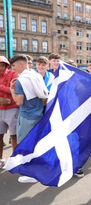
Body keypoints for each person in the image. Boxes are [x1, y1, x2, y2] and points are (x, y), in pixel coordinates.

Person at [9, 54, 48, 183]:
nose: (13, 69)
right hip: (38, 115)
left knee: (26, 144)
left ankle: (31, 174)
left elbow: (19, 102)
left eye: (14, 66)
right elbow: (44, 97)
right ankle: (35, 169)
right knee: (36, 143)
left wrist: (12, 90)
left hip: (27, 117)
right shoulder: (35, 75)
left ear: (21, 64)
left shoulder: (21, 80)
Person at [0, 56, 19, 169]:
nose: (1, 68)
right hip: (0, 109)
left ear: (6, 65)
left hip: (12, 108)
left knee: (14, 136)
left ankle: (14, 159)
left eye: (3, 65)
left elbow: (15, 90)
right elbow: (9, 90)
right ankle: (1, 158)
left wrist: (1, 87)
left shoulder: (12, 74)